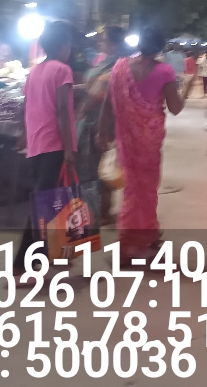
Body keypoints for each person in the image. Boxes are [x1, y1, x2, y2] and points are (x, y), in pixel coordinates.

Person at [100, 26, 189, 261]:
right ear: (160, 47)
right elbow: (175, 108)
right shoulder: (164, 71)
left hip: (126, 139)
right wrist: (187, 89)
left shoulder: (120, 67)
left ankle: (144, 235)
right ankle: (131, 242)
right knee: (145, 190)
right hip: (149, 142)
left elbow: (109, 102)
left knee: (133, 187)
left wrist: (101, 130)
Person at [15, 20, 78, 272]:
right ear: (63, 46)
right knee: (42, 204)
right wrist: (69, 148)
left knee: (50, 202)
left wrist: (24, 134)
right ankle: (22, 264)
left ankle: (52, 252)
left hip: (36, 144)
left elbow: (26, 106)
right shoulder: (62, 70)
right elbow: (63, 111)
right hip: (54, 144)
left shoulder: (35, 72)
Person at [75, 26, 126, 225]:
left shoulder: (116, 65)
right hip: (95, 120)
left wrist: (82, 109)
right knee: (98, 166)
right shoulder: (105, 61)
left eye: (104, 39)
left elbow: (99, 93)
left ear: (113, 43)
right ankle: (100, 210)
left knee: (100, 168)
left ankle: (100, 212)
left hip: (102, 122)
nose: (100, 42)